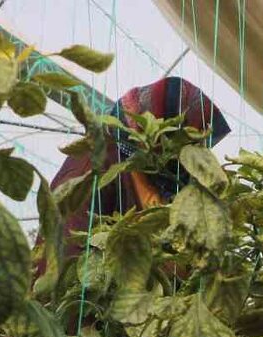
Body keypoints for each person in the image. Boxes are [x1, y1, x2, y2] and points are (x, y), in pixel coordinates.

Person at [48, 76, 230, 259]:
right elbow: (67, 246)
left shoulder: (165, 179)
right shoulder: (96, 163)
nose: (189, 158)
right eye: (187, 142)